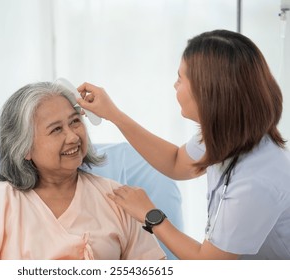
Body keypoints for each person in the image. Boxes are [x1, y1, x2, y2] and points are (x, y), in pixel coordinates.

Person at [76, 29, 290, 260]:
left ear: (209, 93)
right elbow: (177, 162)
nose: (174, 86)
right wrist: (113, 115)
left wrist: (150, 214)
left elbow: (209, 265)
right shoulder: (230, 131)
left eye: (180, 78)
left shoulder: (256, 181)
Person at [0, 81, 165, 260]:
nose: (73, 137)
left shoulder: (118, 200)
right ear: (25, 148)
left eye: (75, 122)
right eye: (56, 129)